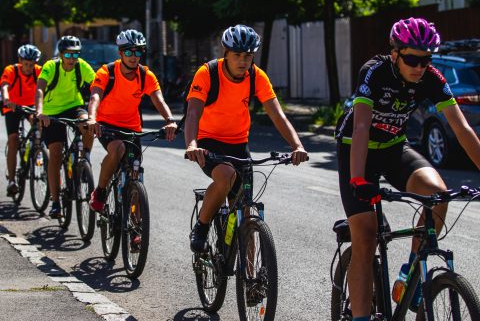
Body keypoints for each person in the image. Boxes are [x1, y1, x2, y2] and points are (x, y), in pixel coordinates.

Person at [334, 17, 480, 320]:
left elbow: (462, 128)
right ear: (395, 52)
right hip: (356, 149)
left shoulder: (432, 78)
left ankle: (409, 273)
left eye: (426, 60)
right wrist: (359, 179)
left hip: (393, 149)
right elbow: (361, 126)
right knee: (366, 235)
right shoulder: (374, 72)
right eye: (412, 59)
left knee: (439, 195)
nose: (419, 66)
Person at [185, 24, 309, 252]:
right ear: (226, 53)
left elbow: (277, 114)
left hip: (239, 145)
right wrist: (192, 144)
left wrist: (297, 145)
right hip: (208, 142)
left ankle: (252, 281)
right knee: (226, 176)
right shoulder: (208, 73)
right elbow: (193, 112)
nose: (243, 61)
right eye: (237, 55)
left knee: (245, 215)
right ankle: (202, 226)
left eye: (248, 56)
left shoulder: (256, 77)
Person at [87, 29, 177, 213]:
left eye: (138, 51)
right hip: (106, 125)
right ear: (120, 53)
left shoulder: (146, 75)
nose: (133, 56)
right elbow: (95, 97)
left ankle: (136, 228)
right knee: (117, 148)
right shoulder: (107, 72)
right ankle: (101, 191)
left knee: (134, 173)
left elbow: (158, 99)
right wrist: (91, 118)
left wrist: (169, 120)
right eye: (128, 51)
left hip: (132, 128)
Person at [35, 36, 95, 218]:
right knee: (56, 153)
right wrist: (40, 112)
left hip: (73, 107)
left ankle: (85, 157)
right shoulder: (50, 67)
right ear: (60, 54)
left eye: (75, 54)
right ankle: (55, 202)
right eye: (68, 54)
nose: (72, 58)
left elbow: (97, 86)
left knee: (88, 123)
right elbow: (39, 90)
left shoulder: (81, 66)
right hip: (51, 112)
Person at [1, 44, 42, 196]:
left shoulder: (39, 71)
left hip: (31, 105)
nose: (29, 67)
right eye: (26, 64)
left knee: (38, 122)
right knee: (13, 139)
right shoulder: (11, 70)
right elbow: (4, 86)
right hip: (13, 106)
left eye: (32, 64)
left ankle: (38, 148)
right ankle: (12, 181)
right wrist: (6, 99)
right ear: (20, 61)